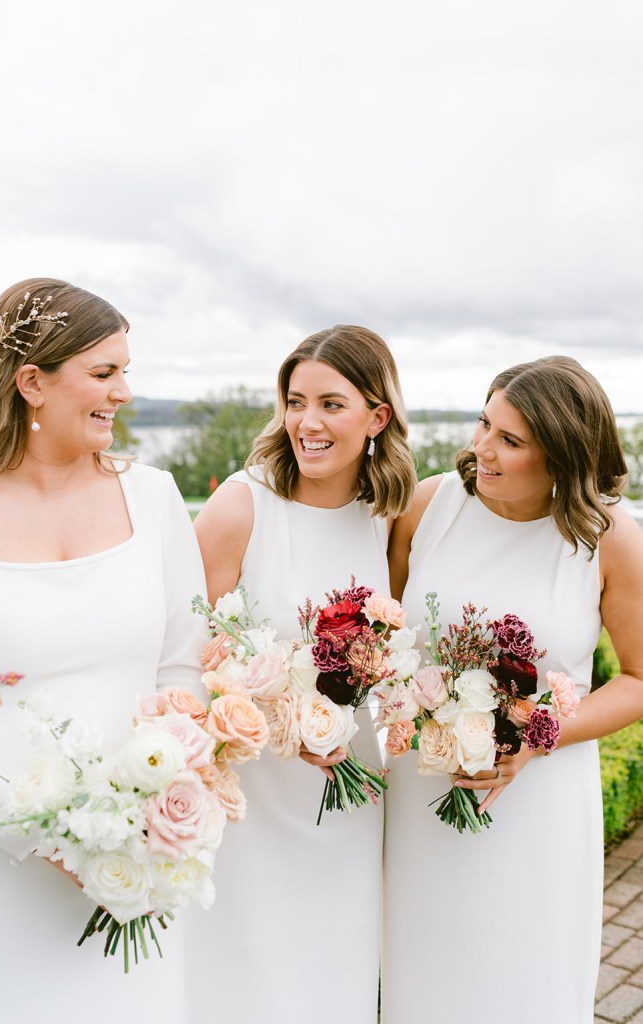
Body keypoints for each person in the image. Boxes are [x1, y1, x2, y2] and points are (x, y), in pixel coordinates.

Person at [0, 278, 208, 1024]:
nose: (125, 392)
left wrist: (151, 807)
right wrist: (51, 836)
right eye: (104, 373)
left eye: (125, 371)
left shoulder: (157, 497)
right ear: (32, 383)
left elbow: (180, 666)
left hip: (134, 872)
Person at [382, 355, 643, 1024]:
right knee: (424, 974)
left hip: (541, 805)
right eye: (482, 423)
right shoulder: (429, 504)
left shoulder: (606, 537)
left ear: (559, 456)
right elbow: (384, 634)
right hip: (423, 794)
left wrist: (534, 735)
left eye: (509, 440)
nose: (481, 448)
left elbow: (638, 682)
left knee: (526, 980)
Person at [186, 325, 417, 1024]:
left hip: (349, 790)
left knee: (334, 968)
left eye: (330, 404)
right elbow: (182, 647)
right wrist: (269, 705)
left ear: (377, 417)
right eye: (294, 401)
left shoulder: (384, 518)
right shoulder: (241, 502)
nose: (305, 423)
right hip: (255, 791)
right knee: (245, 971)